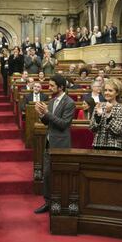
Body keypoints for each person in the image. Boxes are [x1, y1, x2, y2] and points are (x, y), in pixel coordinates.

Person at [34, 74, 75, 213]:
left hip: (61, 144)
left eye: (52, 86)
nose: (49, 88)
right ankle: (48, 202)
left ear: (61, 87)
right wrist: (41, 115)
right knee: (46, 175)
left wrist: (47, 113)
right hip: (49, 143)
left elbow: (63, 124)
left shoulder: (69, 102)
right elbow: (48, 123)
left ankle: (60, 202)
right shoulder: (51, 102)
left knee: (59, 175)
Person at [89, 78, 122, 150]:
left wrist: (108, 114)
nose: (107, 93)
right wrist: (98, 117)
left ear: (117, 93)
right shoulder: (99, 106)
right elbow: (92, 128)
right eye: (105, 90)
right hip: (98, 145)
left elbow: (117, 130)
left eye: (110, 90)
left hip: (115, 147)